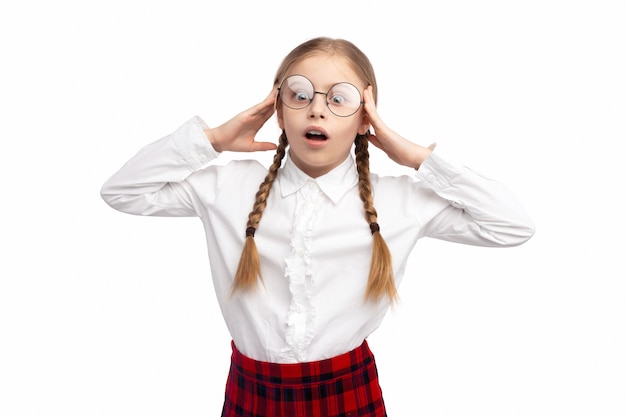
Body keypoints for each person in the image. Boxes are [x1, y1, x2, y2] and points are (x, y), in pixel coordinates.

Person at [101, 36, 535, 417]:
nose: (318, 110)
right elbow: (122, 192)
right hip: (252, 395)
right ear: (278, 110)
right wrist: (212, 140)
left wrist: (419, 158)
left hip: (348, 394)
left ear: (366, 119)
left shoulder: (400, 201)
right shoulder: (226, 186)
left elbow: (512, 225)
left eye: (339, 98)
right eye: (300, 94)